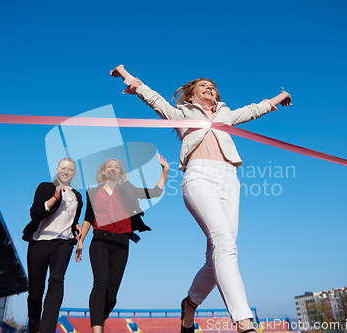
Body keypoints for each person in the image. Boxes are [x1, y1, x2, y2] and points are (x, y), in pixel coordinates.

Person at [110, 65, 292, 333]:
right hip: (199, 176)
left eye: (212, 86)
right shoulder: (181, 114)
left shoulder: (225, 114)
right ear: (192, 96)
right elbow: (153, 98)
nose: (210, 88)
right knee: (226, 244)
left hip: (230, 179)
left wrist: (280, 97)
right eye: (202, 86)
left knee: (216, 257)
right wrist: (125, 74)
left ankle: (190, 304)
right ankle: (244, 322)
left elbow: (254, 109)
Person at [75, 154, 169, 333]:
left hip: (121, 243)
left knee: (111, 297)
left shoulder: (128, 189)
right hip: (100, 240)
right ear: (103, 171)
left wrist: (164, 171)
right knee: (101, 282)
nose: (113, 168)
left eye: (116, 167)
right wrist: (81, 242)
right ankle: (97, 330)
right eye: (109, 166)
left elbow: (154, 193)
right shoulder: (92, 192)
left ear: (120, 173)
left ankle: (98, 320)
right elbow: (88, 218)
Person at [22, 157, 83, 333]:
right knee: (35, 294)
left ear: (74, 173)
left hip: (63, 243)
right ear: (57, 169)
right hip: (39, 241)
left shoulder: (77, 196)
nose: (66, 171)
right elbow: (35, 213)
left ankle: (47, 330)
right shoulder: (45, 187)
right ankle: (34, 328)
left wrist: (75, 225)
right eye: (63, 168)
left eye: (70, 169)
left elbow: (72, 218)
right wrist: (55, 197)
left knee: (56, 280)